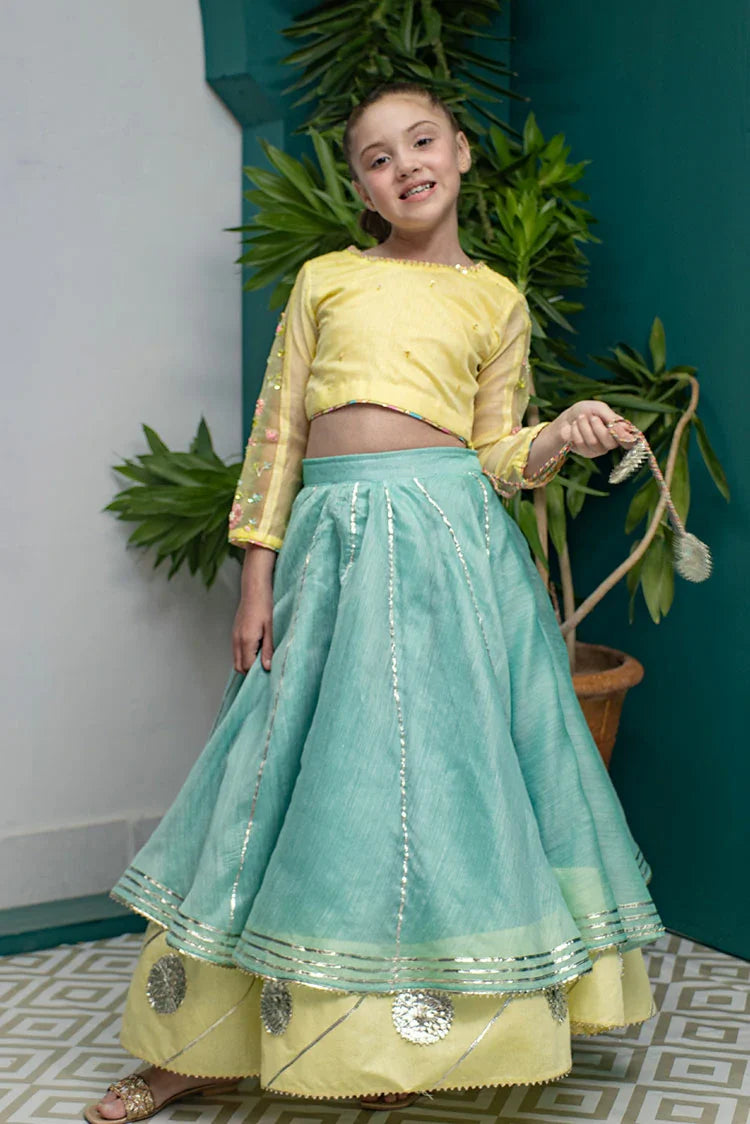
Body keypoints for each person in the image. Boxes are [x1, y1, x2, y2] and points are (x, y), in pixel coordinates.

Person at [85, 81, 665, 1122]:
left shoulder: (497, 300)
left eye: (423, 141)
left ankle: (408, 1050)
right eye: (377, 157)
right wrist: (256, 575)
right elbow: (278, 434)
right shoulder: (328, 279)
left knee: (443, 783)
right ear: (360, 185)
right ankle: (197, 1048)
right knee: (285, 777)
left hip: (450, 550)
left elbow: (496, 452)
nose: (406, 166)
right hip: (334, 548)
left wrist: (557, 435)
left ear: (462, 152)